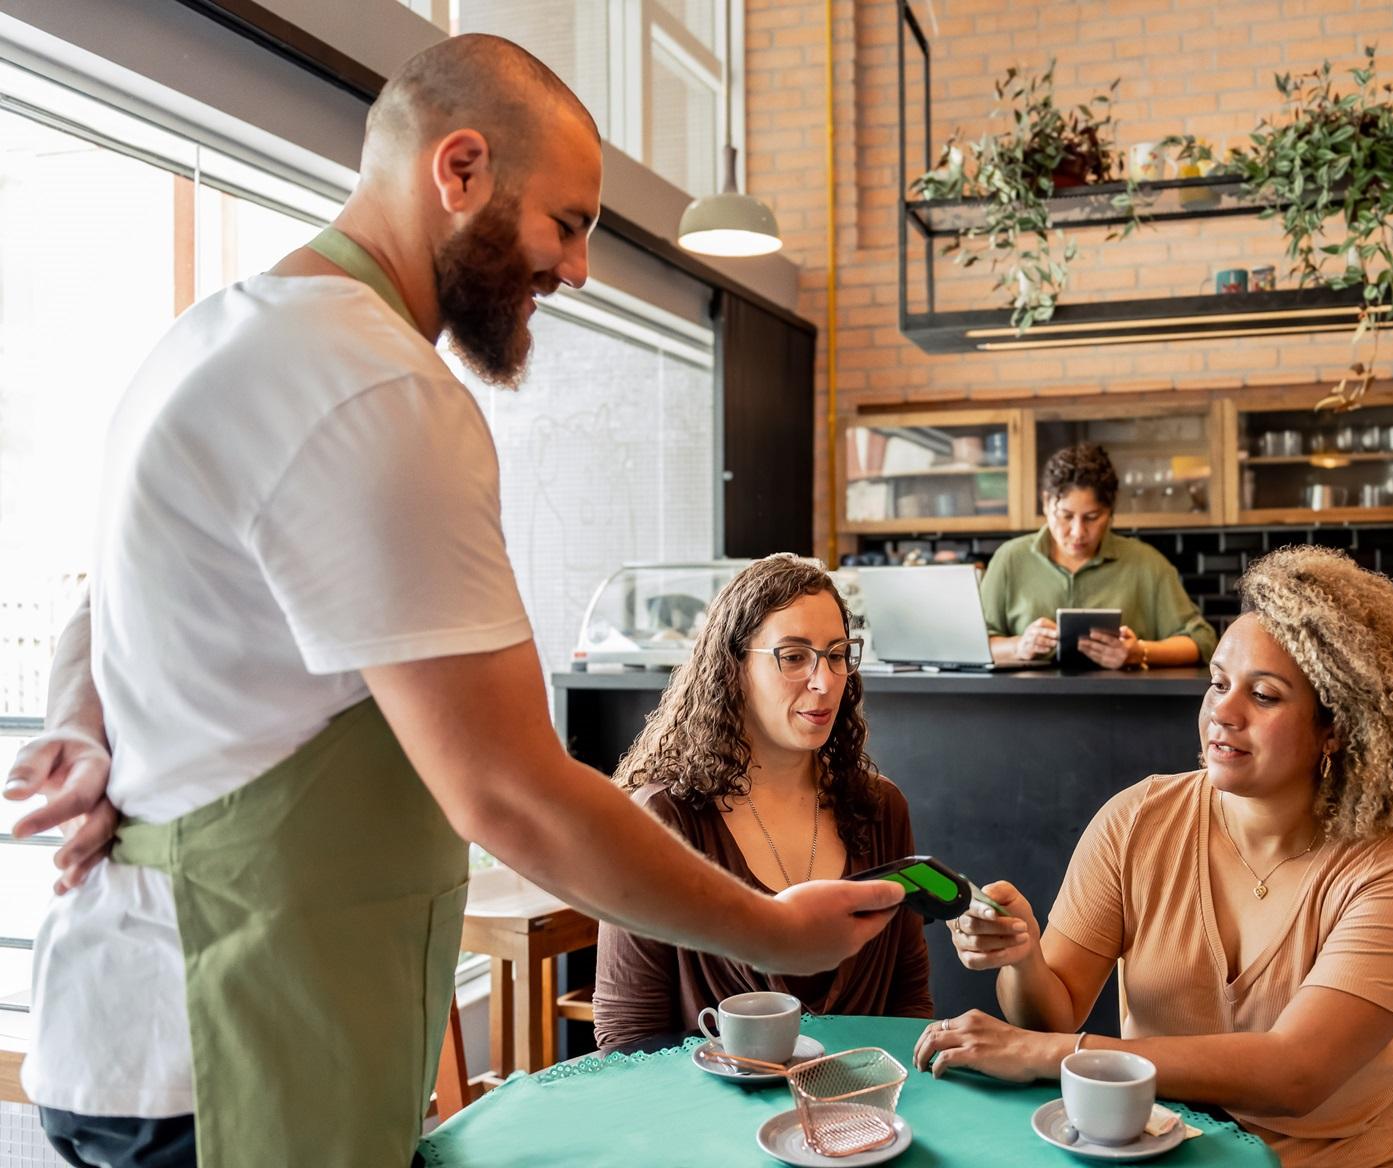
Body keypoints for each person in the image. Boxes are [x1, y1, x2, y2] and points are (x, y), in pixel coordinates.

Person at [2, 35, 900, 1168]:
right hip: (224, 1051)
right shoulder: (376, 385)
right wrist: (773, 929)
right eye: (568, 224)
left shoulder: (209, 339)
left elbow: (106, 601)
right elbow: (513, 795)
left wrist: (78, 721)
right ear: (460, 170)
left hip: (138, 1025)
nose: (578, 270)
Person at [919, 545, 1393, 1168]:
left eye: (1266, 696)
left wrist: (1050, 1054)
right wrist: (1024, 958)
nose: (1223, 713)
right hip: (1163, 1154)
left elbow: (1295, 1074)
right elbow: (1052, 1013)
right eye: (1219, 683)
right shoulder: (1139, 820)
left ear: (1336, 726)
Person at [591, 555, 932, 1049]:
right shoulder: (665, 817)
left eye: (837, 654)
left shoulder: (880, 808)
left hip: (864, 1111)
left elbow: (910, 1004)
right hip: (711, 1117)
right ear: (734, 668)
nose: (825, 681)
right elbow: (628, 1036)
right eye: (793, 656)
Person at [981, 442, 1215, 669]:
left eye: (1092, 517)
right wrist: (1018, 646)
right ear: (1045, 503)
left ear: (1111, 512)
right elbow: (973, 644)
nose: (1077, 532)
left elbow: (1202, 641)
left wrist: (1140, 652)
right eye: (1065, 515)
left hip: (1123, 704)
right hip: (1022, 705)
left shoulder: (1146, 563)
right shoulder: (1009, 559)